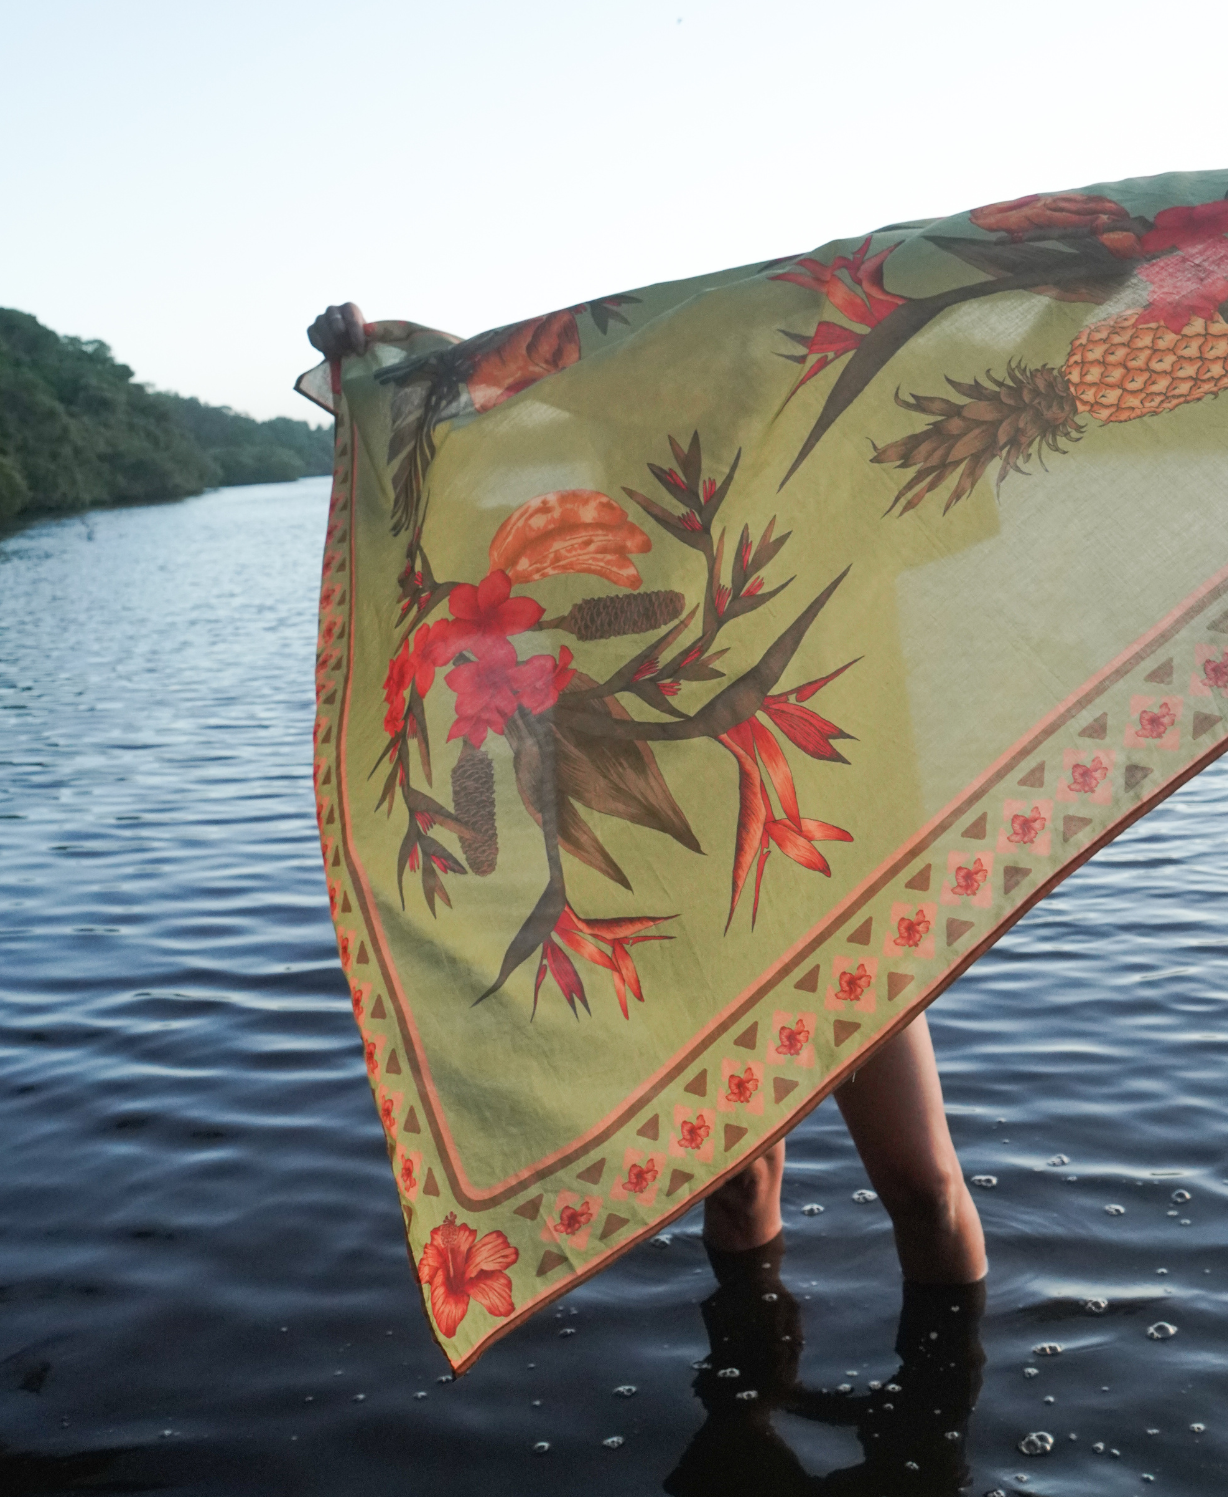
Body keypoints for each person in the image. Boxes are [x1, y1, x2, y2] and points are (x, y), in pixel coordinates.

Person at [306, 303, 988, 1291]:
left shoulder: (839, 515)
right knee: (740, 1182)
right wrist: (382, 349)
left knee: (920, 1183)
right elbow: (481, 429)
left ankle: (950, 1413)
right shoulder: (616, 560)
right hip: (697, 897)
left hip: (842, 875)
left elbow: (947, 437)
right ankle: (750, 1410)